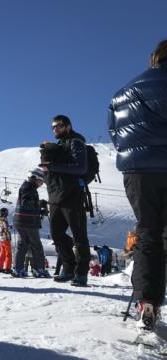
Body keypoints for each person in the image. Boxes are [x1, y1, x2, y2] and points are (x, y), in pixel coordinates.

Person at [109, 39, 167, 330]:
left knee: (148, 234)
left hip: (139, 172)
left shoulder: (124, 92)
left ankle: (147, 302)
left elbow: (116, 135)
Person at [40, 114, 90, 286]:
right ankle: (69, 268)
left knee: (79, 235)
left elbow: (81, 167)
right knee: (57, 234)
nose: (55, 129)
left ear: (68, 126)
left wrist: (52, 166)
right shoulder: (58, 146)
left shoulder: (76, 142)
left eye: (59, 126)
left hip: (72, 195)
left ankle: (81, 273)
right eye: (53, 127)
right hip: (56, 197)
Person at [12, 168, 50, 278]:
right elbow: (26, 203)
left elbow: (28, 203)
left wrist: (39, 204)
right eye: (41, 181)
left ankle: (18, 269)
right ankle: (39, 269)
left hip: (20, 220)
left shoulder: (27, 187)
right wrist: (39, 206)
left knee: (22, 244)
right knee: (36, 245)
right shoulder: (29, 188)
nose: (42, 184)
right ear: (35, 178)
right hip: (28, 221)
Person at [0, 208, 13, 274]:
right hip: (6, 238)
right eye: (6, 212)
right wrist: (10, 227)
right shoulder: (4, 219)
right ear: (4, 213)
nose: (7, 214)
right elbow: (5, 228)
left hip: (1, 238)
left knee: (2, 253)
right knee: (8, 254)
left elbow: (0, 227)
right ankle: (7, 268)